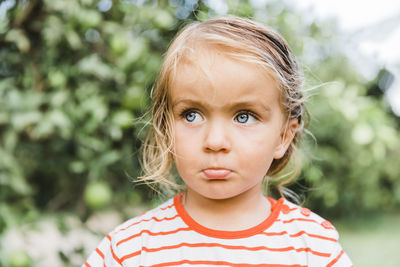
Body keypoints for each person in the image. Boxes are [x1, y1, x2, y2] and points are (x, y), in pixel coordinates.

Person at [83, 15, 353, 267]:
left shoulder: (313, 248)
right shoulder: (129, 249)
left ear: (283, 135)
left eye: (244, 117)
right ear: (166, 127)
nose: (214, 141)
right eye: (192, 115)